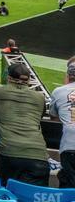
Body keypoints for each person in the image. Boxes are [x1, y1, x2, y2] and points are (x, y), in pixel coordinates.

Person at [0, 63, 49, 186]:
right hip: (37, 153)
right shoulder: (39, 97)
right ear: (28, 79)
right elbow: (39, 117)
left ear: (9, 77)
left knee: (9, 194)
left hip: (9, 152)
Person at [50, 59, 75, 188]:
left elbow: (53, 117)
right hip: (70, 146)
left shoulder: (59, 91)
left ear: (68, 75)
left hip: (69, 145)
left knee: (69, 187)